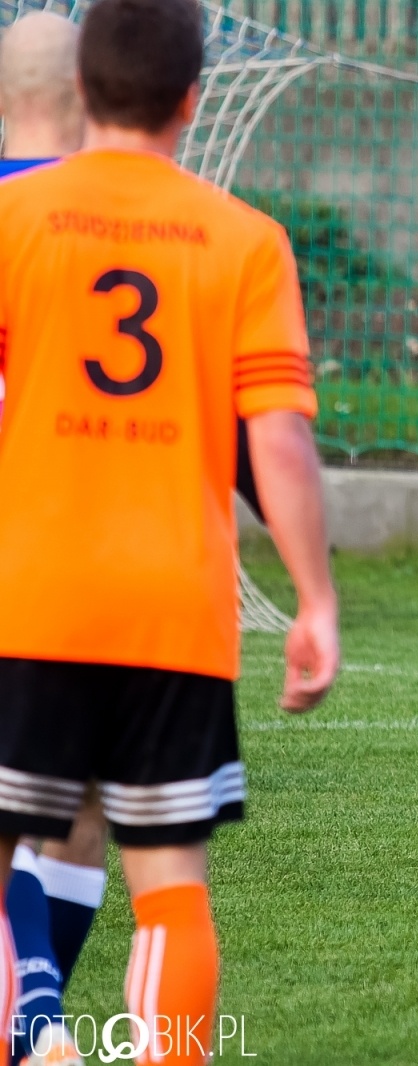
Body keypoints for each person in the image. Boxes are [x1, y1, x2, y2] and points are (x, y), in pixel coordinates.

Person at [0, 3, 340, 1065]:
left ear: (81, 94)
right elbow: (276, 441)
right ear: (195, 101)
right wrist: (315, 598)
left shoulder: (13, 221)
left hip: (28, 596)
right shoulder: (245, 240)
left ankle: (29, 1025)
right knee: (171, 892)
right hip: (175, 613)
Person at [0, 15, 110, 1065]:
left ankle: (34, 1020)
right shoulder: (144, 227)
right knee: (74, 813)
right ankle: (39, 1018)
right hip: (105, 566)